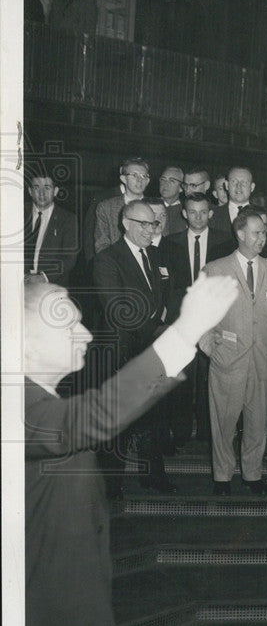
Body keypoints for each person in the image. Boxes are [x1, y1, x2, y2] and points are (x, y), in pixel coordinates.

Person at [23, 275, 238, 626]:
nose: (86, 334)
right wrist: (186, 329)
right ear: (24, 343)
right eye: (69, 322)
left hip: (70, 624)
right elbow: (97, 415)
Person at [92, 200, 177, 494]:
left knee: (154, 418)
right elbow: (118, 310)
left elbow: (163, 296)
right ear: (125, 224)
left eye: (153, 224)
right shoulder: (107, 259)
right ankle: (111, 486)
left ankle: (153, 477)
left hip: (152, 352)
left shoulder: (155, 256)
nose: (149, 229)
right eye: (143, 223)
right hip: (122, 353)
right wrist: (159, 329)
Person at [199, 210, 267, 496]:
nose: (263, 237)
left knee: (257, 422)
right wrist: (213, 350)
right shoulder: (215, 269)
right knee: (223, 421)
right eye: (257, 232)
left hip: (261, 359)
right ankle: (222, 476)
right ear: (241, 234)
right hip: (228, 360)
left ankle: (252, 474)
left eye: (264, 232)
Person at [161, 192, 233, 444]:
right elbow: (167, 287)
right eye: (193, 212)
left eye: (203, 211)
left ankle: (206, 433)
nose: (198, 216)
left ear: (211, 213)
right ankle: (180, 433)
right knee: (181, 377)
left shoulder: (226, 242)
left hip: (214, 320)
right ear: (184, 213)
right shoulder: (170, 243)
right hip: (181, 322)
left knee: (210, 378)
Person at [24, 170, 79, 287]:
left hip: (52, 284)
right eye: (36, 188)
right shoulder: (18, 213)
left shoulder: (68, 219)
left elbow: (69, 258)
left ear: (55, 191)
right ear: (30, 191)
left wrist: (43, 277)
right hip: (18, 281)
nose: (42, 193)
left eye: (47, 188)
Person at [92, 157, 150, 258]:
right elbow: (101, 245)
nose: (139, 180)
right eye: (134, 175)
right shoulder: (106, 207)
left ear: (148, 181)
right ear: (123, 179)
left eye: (143, 176)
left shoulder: (156, 207)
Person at [208, 166, 255, 236]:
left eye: (244, 182)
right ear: (226, 185)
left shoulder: (266, 216)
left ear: (252, 187)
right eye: (234, 181)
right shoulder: (212, 216)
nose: (238, 186)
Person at [157, 165, 187, 235]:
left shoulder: (186, 209)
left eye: (171, 181)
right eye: (163, 179)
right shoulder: (150, 206)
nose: (165, 184)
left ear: (181, 188)